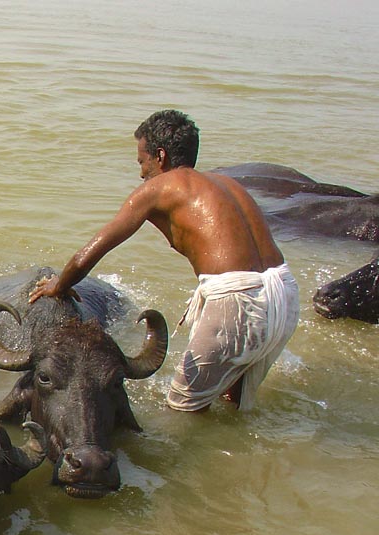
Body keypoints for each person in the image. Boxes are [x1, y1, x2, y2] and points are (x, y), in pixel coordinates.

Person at [29, 109, 299, 412]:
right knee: (232, 404)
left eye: (142, 162)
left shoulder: (159, 188)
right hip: (284, 293)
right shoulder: (228, 184)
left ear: (160, 156)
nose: (141, 173)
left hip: (238, 299)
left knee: (182, 411)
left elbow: (91, 252)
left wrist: (59, 285)